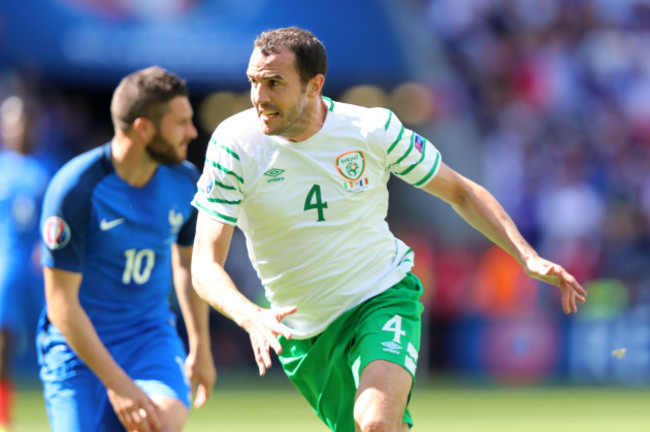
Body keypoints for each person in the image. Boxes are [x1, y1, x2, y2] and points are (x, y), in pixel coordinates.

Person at [190, 26, 587, 432]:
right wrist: (250, 316)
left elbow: (461, 192)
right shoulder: (233, 145)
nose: (259, 97)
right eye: (254, 82)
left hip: (380, 295)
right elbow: (204, 263)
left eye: (274, 83)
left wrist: (527, 256)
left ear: (314, 85)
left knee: (375, 422)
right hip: (303, 331)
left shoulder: (371, 130)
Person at [38, 66, 216, 432]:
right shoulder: (75, 189)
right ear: (144, 128)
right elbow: (60, 305)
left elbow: (187, 264)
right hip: (76, 350)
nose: (193, 132)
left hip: (148, 340)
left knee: (159, 422)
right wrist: (118, 386)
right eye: (181, 123)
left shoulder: (185, 181)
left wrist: (199, 345)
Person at [0, 95, 50, 432]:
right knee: (2, 346)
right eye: (12, 121)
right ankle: (5, 420)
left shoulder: (47, 168)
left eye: (24, 121)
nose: (19, 127)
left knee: (53, 341)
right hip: (5, 270)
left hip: (40, 273)